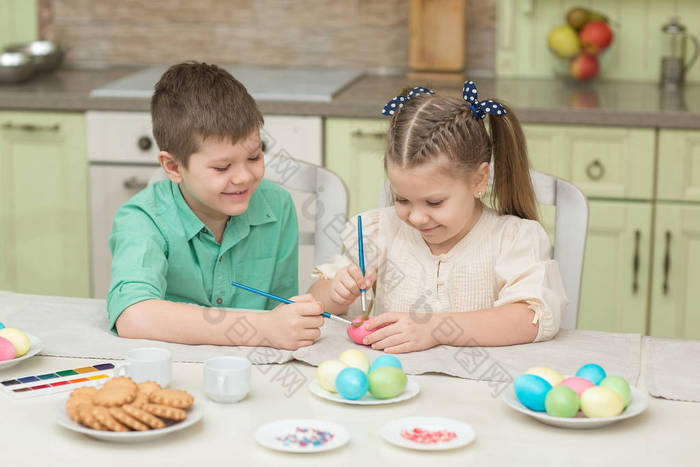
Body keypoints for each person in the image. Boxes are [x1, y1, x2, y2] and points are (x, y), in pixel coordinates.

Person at [308, 81, 567, 353]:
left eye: (434, 202)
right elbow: (315, 301)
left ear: (479, 180)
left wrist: (435, 329)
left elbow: (531, 319)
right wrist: (336, 292)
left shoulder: (513, 239)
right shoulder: (380, 232)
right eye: (402, 199)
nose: (417, 218)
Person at [107, 61, 323, 350]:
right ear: (173, 166)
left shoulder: (277, 206)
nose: (244, 177)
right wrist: (263, 329)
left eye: (254, 157)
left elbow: (279, 310)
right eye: (222, 168)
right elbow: (133, 316)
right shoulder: (142, 218)